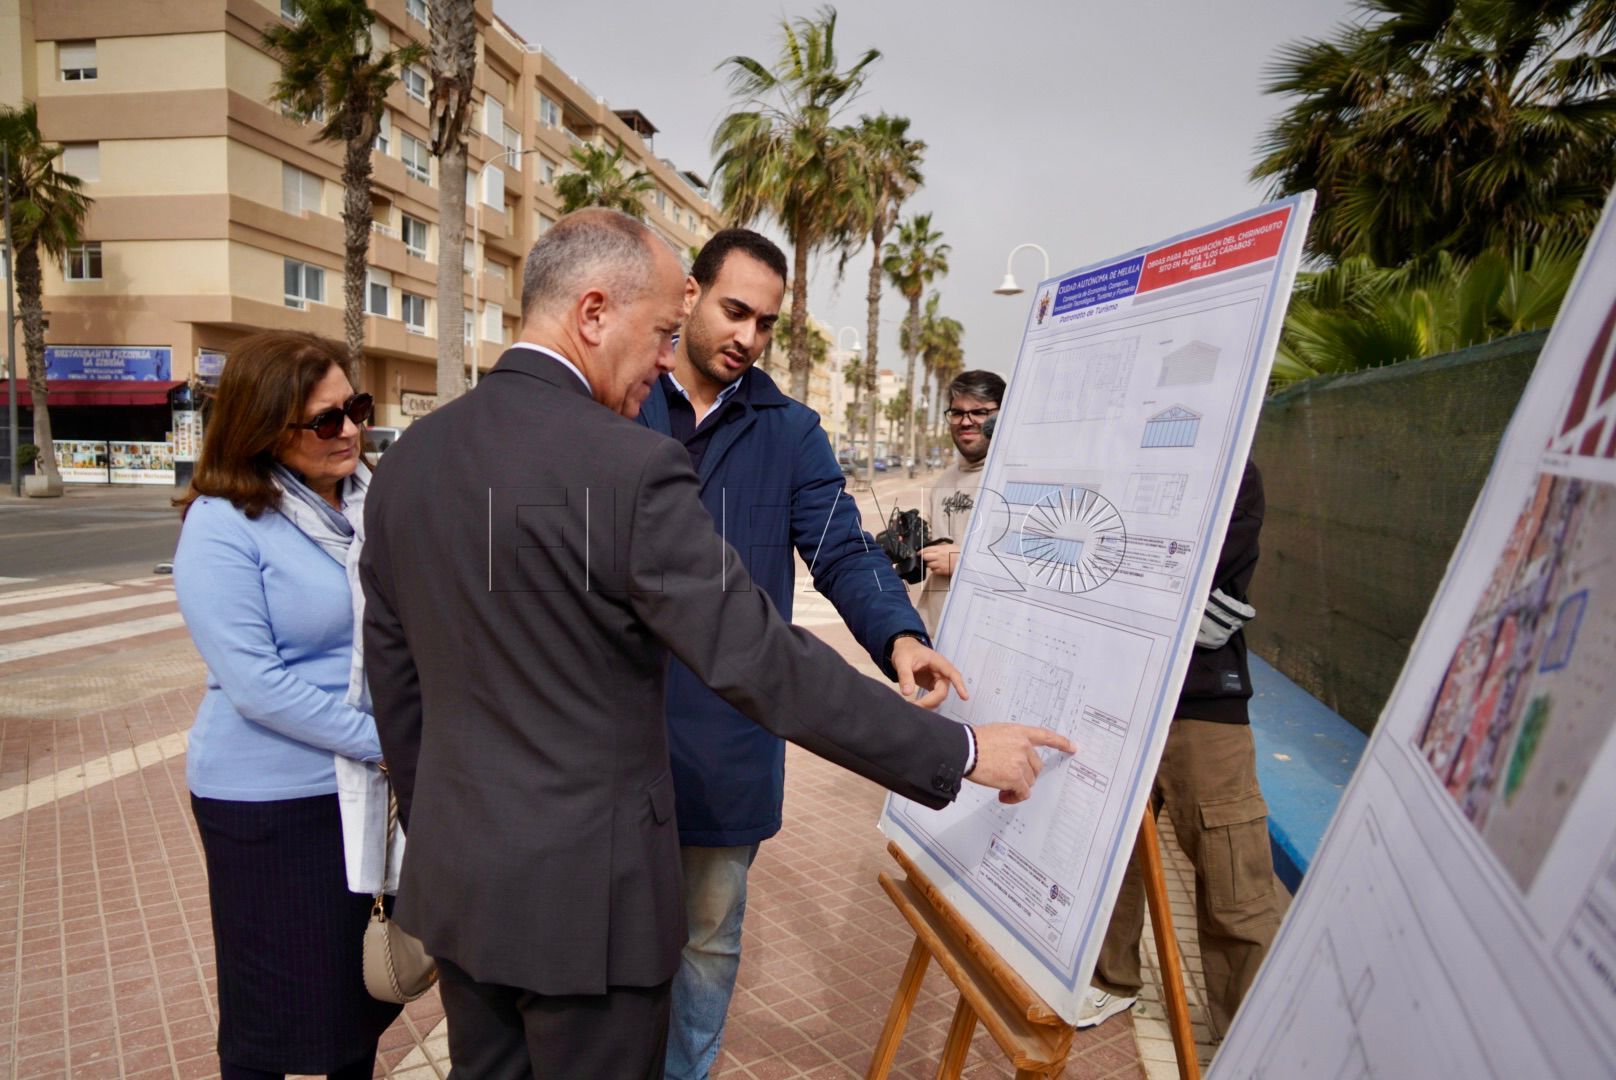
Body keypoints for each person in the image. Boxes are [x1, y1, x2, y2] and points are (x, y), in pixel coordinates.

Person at [358, 208, 1073, 1079]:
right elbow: (760, 655)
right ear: (600, 312)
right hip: (598, 876)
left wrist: (441, 825)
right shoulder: (622, 450)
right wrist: (957, 750)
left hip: (498, 859)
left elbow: (396, 680)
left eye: (766, 323)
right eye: (674, 327)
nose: (672, 355)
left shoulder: (409, 459)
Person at [635, 228, 955, 1078]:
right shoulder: (620, 401)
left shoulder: (791, 431)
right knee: (603, 939)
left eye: (766, 323)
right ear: (691, 294)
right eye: (735, 310)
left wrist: (899, 637)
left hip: (725, 739)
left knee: (706, 940)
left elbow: (841, 549)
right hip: (608, 736)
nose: (748, 336)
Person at [172, 331, 397, 1079]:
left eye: (356, 408)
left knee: (356, 998)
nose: (350, 431)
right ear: (266, 428)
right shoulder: (223, 523)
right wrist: (387, 740)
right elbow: (255, 683)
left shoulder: (373, 504)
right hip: (268, 802)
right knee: (269, 1015)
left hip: (361, 790)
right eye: (325, 421)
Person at [1084, 460, 1280, 1040]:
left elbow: (1199, 575)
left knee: (1232, 873)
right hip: (1118, 693)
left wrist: (1124, 583)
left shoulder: (1231, 461)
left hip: (1203, 702)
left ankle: (1250, 1033)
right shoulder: (1115, 456)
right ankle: (1110, 979)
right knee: (1111, 853)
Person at [914, 369, 1006, 634]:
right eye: (957, 413)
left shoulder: (1015, 479)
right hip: (934, 635)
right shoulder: (944, 480)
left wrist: (965, 563)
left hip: (987, 636)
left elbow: (1042, 569)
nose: (966, 421)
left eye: (979, 412)